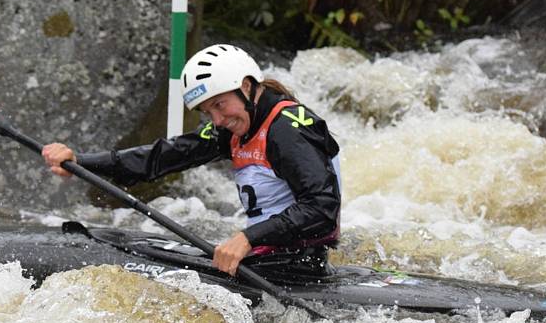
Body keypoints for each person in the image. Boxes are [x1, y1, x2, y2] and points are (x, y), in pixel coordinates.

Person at [42, 44, 342, 277]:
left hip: (299, 264)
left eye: (220, 105)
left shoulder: (287, 129)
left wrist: (247, 238)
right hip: (267, 254)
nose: (218, 120)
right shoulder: (238, 125)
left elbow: (321, 207)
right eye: (208, 112)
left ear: (247, 87)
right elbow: (165, 156)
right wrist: (81, 162)